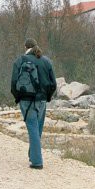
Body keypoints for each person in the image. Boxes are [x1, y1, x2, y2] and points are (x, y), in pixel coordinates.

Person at [10, 38, 57, 169]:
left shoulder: (20, 60)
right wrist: (47, 97)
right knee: (37, 129)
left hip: (26, 100)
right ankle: (33, 155)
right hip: (41, 100)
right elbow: (53, 84)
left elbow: (14, 83)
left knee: (32, 128)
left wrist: (18, 97)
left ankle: (37, 162)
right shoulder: (46, 61)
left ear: (25, 47)